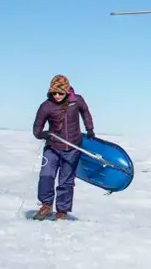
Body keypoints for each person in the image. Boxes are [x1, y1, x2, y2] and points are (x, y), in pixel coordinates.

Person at [31, 74, 95, 220]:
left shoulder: (77, 101)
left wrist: (90, 129)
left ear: (67, 91)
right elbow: (36, 129)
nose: (57, 96)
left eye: (60, 93)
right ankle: (46, 206)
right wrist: (43, 134)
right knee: (46, 176)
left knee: (66, 181)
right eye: (54, 93)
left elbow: (85, 113)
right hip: (52, 147)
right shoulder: (46, 106)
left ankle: (62, 212)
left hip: (72, 148)